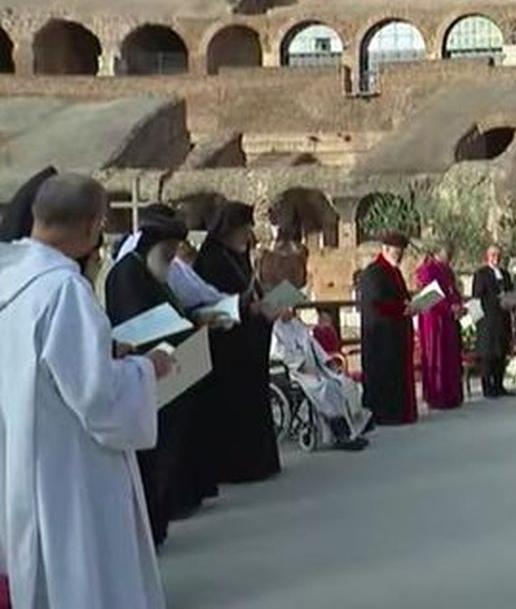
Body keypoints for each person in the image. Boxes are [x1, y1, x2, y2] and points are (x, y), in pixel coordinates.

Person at [0, 173, 170, 609]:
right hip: (72, 473)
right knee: (85, 579)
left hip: (22, 459)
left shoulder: (9, 278)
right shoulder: (63, 291)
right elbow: (99, 400)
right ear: (93, 226)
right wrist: (145, 369)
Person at [104, 209, 202, 548]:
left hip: (170, 372)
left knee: (168, 453)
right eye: (169, 250)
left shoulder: (154, 274)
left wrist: (196, 318)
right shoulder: (127, 274)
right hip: (144, 374)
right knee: (152, 459)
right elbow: (136, 326)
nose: (173, 257)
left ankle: (158, 522)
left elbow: (172, 312)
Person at [192, 201, 282, 484]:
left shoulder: (239, 256)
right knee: (233, 406)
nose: (247, 235)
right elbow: (211, 303)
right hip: (226, 346)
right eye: (244, 229)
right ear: (229, 229)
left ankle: (260, 461)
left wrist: (270, 304)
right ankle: (237, 467)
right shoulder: (211, 259)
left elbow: (249, 292)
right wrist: (248, 309)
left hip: (249, 341)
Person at [270, 309, 372, 451]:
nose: (289, 311)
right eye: (285, 308)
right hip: (298, 372)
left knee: (344, 383)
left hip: (316, 367)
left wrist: (327, 361)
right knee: (326, 387)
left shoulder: (296, 324)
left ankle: (353, 429)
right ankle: (339, 434)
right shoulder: (275, 329)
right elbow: (277, 353)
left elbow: (313, 344)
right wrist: (300, 364)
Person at [358, 232, 420, 425]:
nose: (399, 256)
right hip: (381, 336)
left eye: (401, 253)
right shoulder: (373, 272)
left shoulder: (395, 272)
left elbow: (401, 297)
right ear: (385, 249)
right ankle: (385, 414)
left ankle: (400, 412)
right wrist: (403, 308)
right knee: (384, 374)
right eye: (396, 252)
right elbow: (376, 303)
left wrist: (412, 304)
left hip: (397, 333)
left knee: (398, 373)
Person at [415, 244, 465, 410]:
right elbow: (429, 295)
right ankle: (437, 396)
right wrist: (449, 306)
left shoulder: (448, 270)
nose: (450, 255)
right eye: (447, 252)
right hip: (434, 319)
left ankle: (452, 395)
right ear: (437, 252)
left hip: (449, 319)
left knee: (450, 355)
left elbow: (453, 291)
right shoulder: (427, 269)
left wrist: (459, 305)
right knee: (437, 355)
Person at [472, 245, 516, 397]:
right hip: (488, 320)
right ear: (487, 256)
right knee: (488, 355)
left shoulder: (505, 274)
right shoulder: (481, 274)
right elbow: (478, 296)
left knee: (501, 352)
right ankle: (487, 387)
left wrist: (511, 300)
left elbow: (510, 292)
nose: (496, 258)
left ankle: (499, 384)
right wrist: (497, 299)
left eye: (498, 255)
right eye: (493, 255)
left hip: (503, 318)